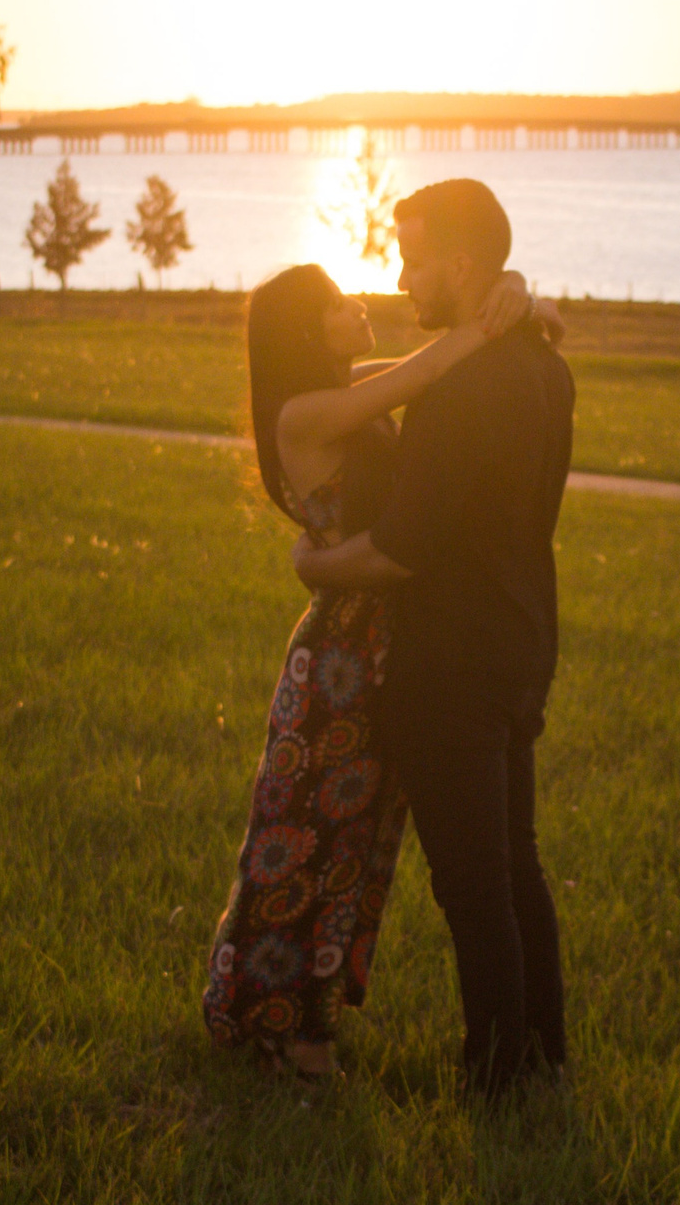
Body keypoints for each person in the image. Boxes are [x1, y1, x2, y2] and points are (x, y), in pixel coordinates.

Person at [203, 258, 552, 1080]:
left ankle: (306, 1018)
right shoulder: (307, 413)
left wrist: (518, 289)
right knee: (301, 844)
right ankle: (272, 1022)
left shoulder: (349, 388)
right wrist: (497, 306)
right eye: (335, 302)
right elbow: (432, 366)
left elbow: (430, 372)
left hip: (386, 646)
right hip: (338, 664)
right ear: (303, 328)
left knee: (354, 848)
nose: (357, 303)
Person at [293, 180, 576, 1097]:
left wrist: (315, 568)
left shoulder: (459, 391)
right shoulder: (545, 364)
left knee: (472, 887)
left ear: (461, 264)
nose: (402, 276)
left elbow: (402, 551)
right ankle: (544, 1051)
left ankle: (494, 1074)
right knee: (518, 865)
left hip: (450, 659)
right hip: (525, 636)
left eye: (414, 256)